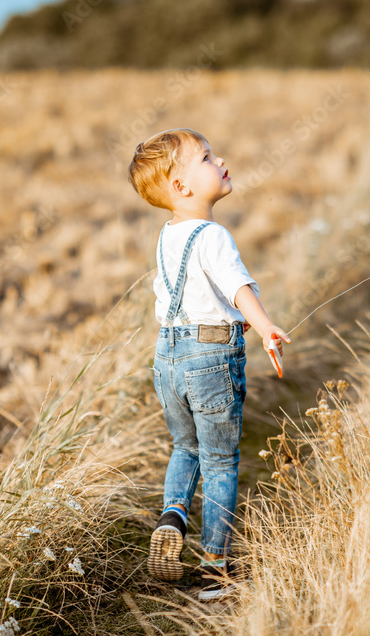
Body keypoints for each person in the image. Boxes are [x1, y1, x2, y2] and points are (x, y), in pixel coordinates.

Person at [128, 128, 290, 599]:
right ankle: (214, 569)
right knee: (220, 461)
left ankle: (173, 515)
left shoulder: (168, 236)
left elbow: (178, 297)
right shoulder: (214, 235)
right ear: (181, 188)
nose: (221, 160)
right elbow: (237, 286)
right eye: (206, 157)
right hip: (211, 359)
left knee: (185, 447)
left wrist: (223, 321)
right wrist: (261, 325)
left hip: (168, 357)